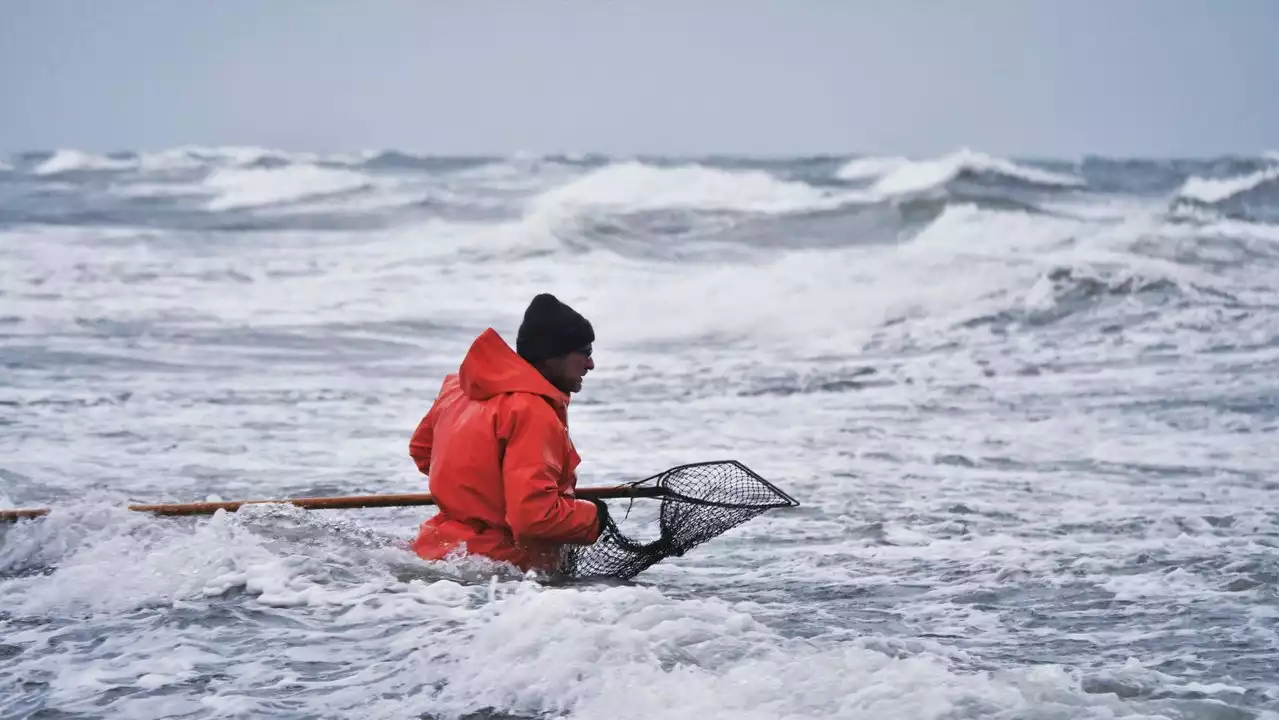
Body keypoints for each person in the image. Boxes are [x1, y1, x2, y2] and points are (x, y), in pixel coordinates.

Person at [407, 293, 607, 573]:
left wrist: (479, 496)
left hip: (438, 553)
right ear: (552, 356)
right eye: (584, 353)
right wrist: (595, 517)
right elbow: (535, 518)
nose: (590, 364)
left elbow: (422, 451)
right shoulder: (533, 411)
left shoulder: (459, 390)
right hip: (499, 573)